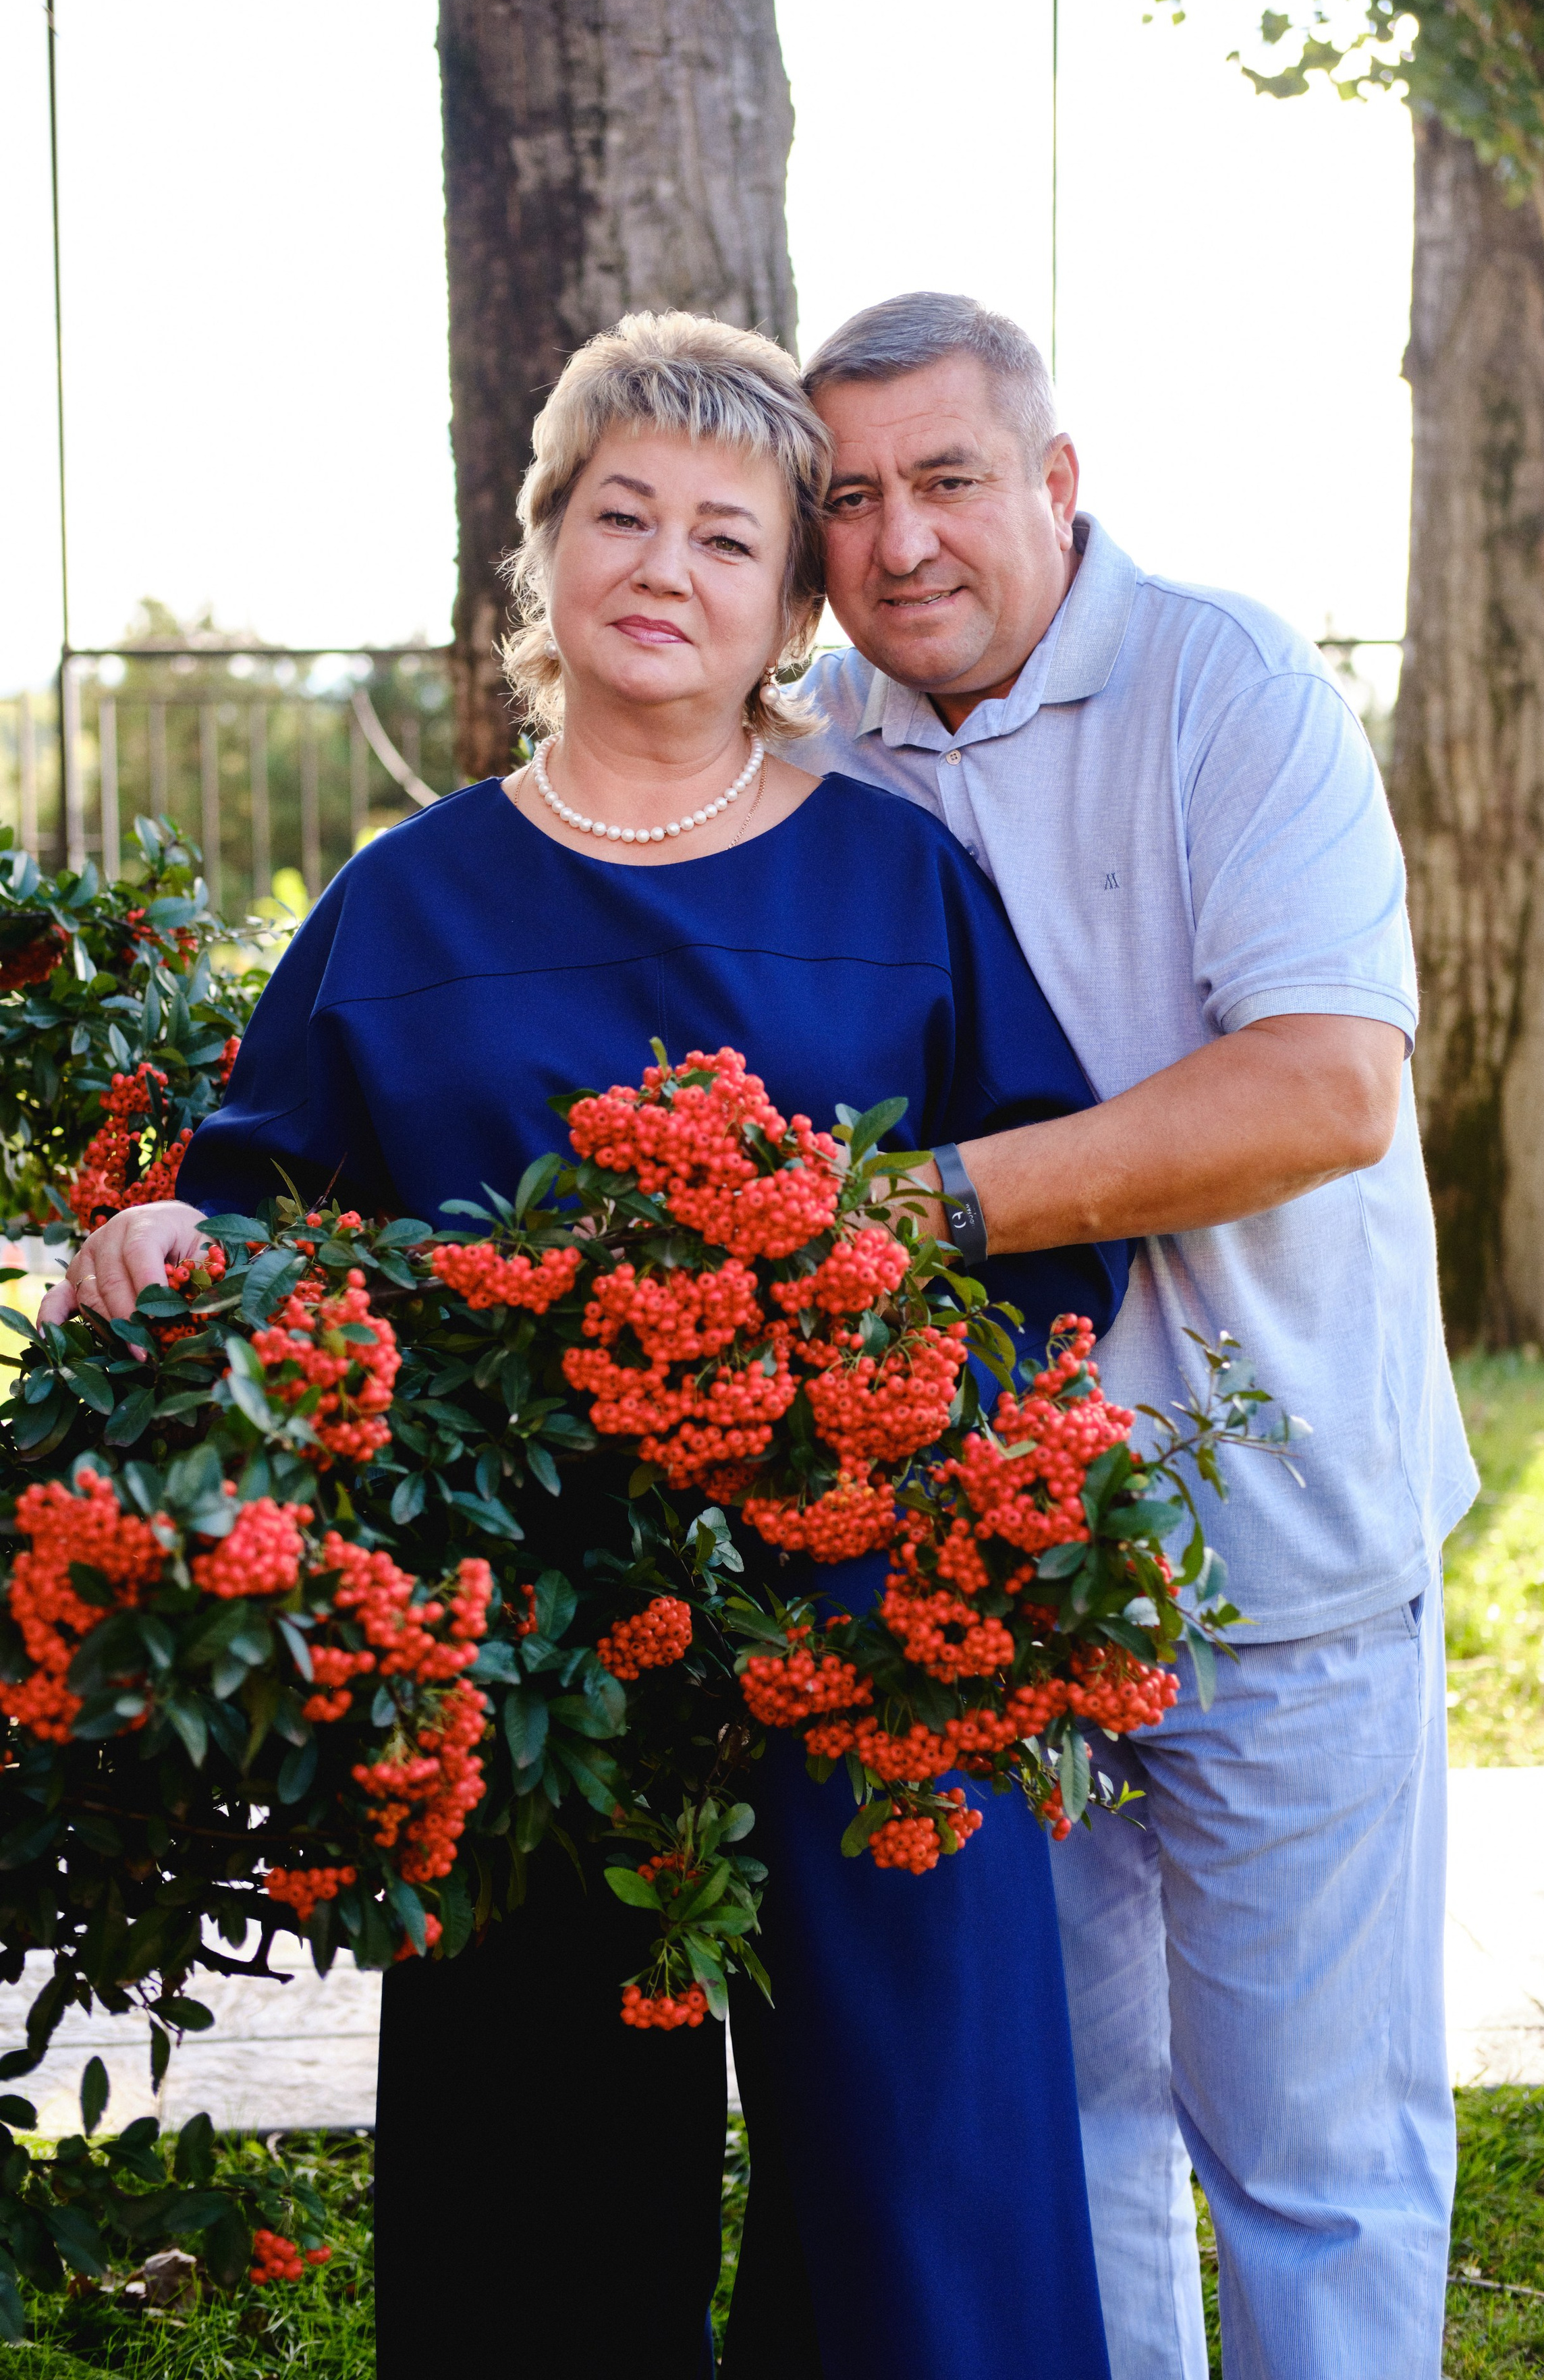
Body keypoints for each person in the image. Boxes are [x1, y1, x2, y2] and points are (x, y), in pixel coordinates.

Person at [40, 311, 1124, 2380]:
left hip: (859, 1626)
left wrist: (919, 1461)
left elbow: (1043, 1235)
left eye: (729, 536)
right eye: (622, 514)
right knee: (534, 2209)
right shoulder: (409, 900)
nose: (665, 568)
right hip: (519, 1651)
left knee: (919, 2202)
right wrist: (177, 1234)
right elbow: (267, 1206)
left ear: (793, 608)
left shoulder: (898, 878)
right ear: (541, 547)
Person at [794, 290, 1477, 2380]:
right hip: (989, 1568)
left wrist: (941, 1205)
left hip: (1285, 1540)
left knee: (1317, 2156)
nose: (901, 539)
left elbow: (1326, 1089)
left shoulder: (1225, 684)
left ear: (1059, 482)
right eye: (849, 499)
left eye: (948, 479)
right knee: (1067, 2130)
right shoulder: (817, 741)